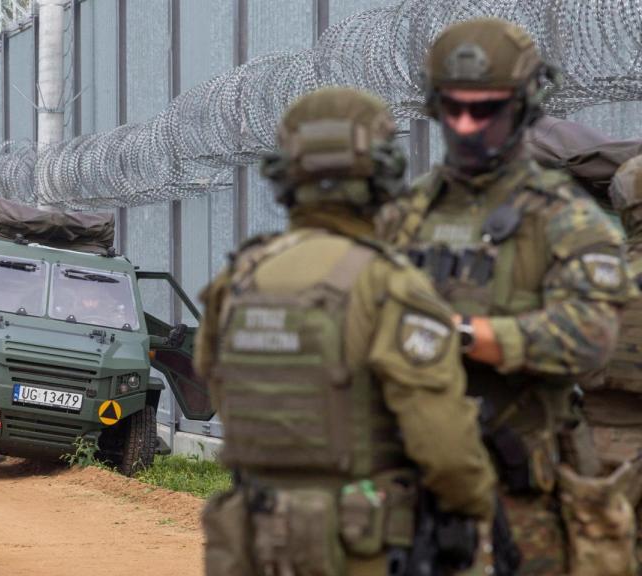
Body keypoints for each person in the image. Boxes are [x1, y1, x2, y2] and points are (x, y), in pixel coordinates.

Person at [194, 87, 496, 575]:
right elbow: (444, 447)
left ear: (285, 174)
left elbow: (214, 382)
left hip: (251, 539)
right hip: (360, 548)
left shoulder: (239, 281)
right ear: (383, 173)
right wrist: (477, 506)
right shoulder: (389, 285)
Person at [376, 18, 637, 575]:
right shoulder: (405, 217)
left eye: (487, 108)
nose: (468, 125)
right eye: (454, 108)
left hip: (523, 497)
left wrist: (470, 335)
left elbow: (591, 337)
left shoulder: (565, 219)